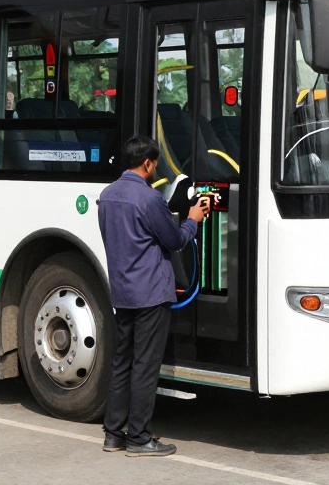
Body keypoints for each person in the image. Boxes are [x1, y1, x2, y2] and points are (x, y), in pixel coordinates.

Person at [97, 135, 210, 457]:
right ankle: (140, 438)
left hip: (122, 290)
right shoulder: (149, 199)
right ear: (147, 163)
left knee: (122, 362)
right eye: (155, 163)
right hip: (150, 292)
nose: (155, 168)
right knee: (145, 367)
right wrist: (193, 220)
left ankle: (113, 434)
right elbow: (174, 241)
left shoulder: (107, 195)